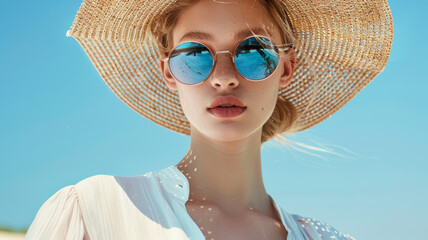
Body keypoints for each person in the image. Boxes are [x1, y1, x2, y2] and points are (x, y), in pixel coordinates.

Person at [25, 0, 393, 239]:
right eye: (194, 54)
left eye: (252, 51)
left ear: (286, 67)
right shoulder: (94, 210)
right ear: (168, 73)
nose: (224, 77)